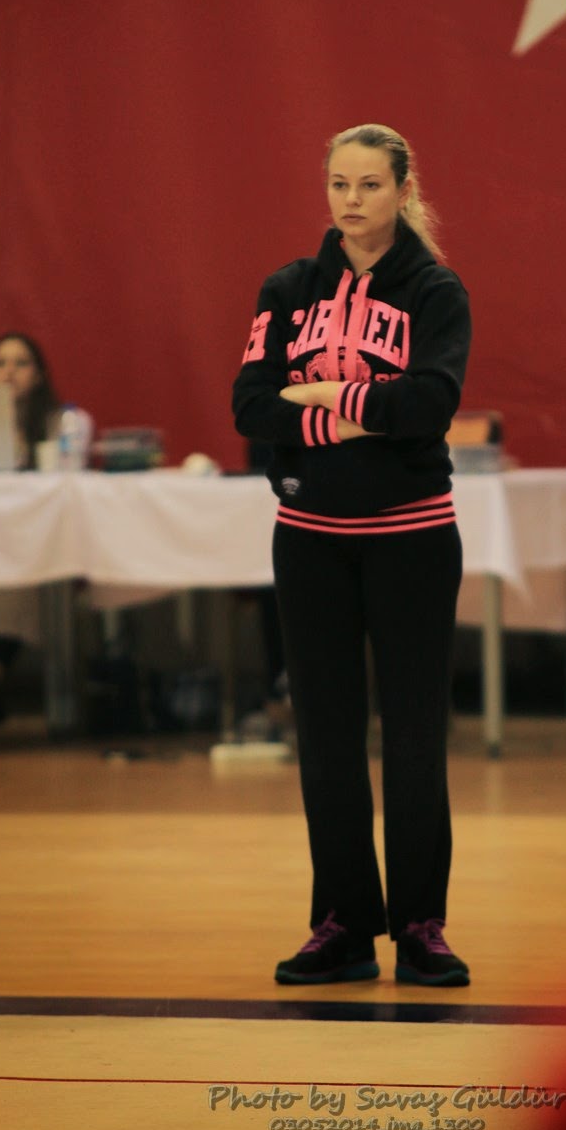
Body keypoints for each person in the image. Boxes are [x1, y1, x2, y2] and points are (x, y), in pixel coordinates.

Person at [232, 123, 472, 986]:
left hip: (412, 538)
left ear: (403, 191)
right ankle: (341, 925)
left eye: (369, 185)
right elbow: (252, 406)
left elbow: (430, 406)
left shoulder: (436, 291)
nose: (352, 200)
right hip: (310, 542)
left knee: (414, 736)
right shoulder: (287, 289)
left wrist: (324, 394)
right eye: (339, 183)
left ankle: (420, 926)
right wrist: (368, 408)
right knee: (327, 737)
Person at [0, 332, 62, 723]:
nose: (9, 372)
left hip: (31, 537)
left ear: (39, 373)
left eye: (20, 363)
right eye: (0, 363)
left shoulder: (57, 423)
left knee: (16, 577)